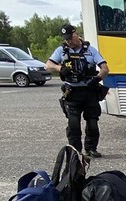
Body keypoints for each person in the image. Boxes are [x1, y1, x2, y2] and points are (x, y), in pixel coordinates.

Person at [46, 23, 109, 158]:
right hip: (72, 92)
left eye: (70, 37)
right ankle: (75, 152)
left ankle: (91, 148)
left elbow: (105, 68)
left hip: (89, 91)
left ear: (76, 34)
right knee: (73, 124)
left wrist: (97, 79)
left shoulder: (90, 50)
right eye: (66, 39)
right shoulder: (61, 51)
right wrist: (60, 68)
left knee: (92, 123)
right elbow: (48, 65)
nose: (68, 41)